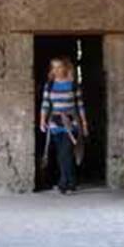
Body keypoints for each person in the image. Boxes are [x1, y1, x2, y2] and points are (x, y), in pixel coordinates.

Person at [39, 57, 88, 194]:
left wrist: (84, 123)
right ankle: (71, 182)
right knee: (61, 154)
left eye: (59, 67)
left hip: (71, 123)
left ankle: (63, 182)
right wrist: (42, 120)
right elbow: (45, 104)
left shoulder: (73, 85)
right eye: (53, 67)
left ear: (65, 68)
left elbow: (80, 105)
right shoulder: (49, 85)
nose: (56, 70)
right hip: (55, 123)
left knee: (65, 152)